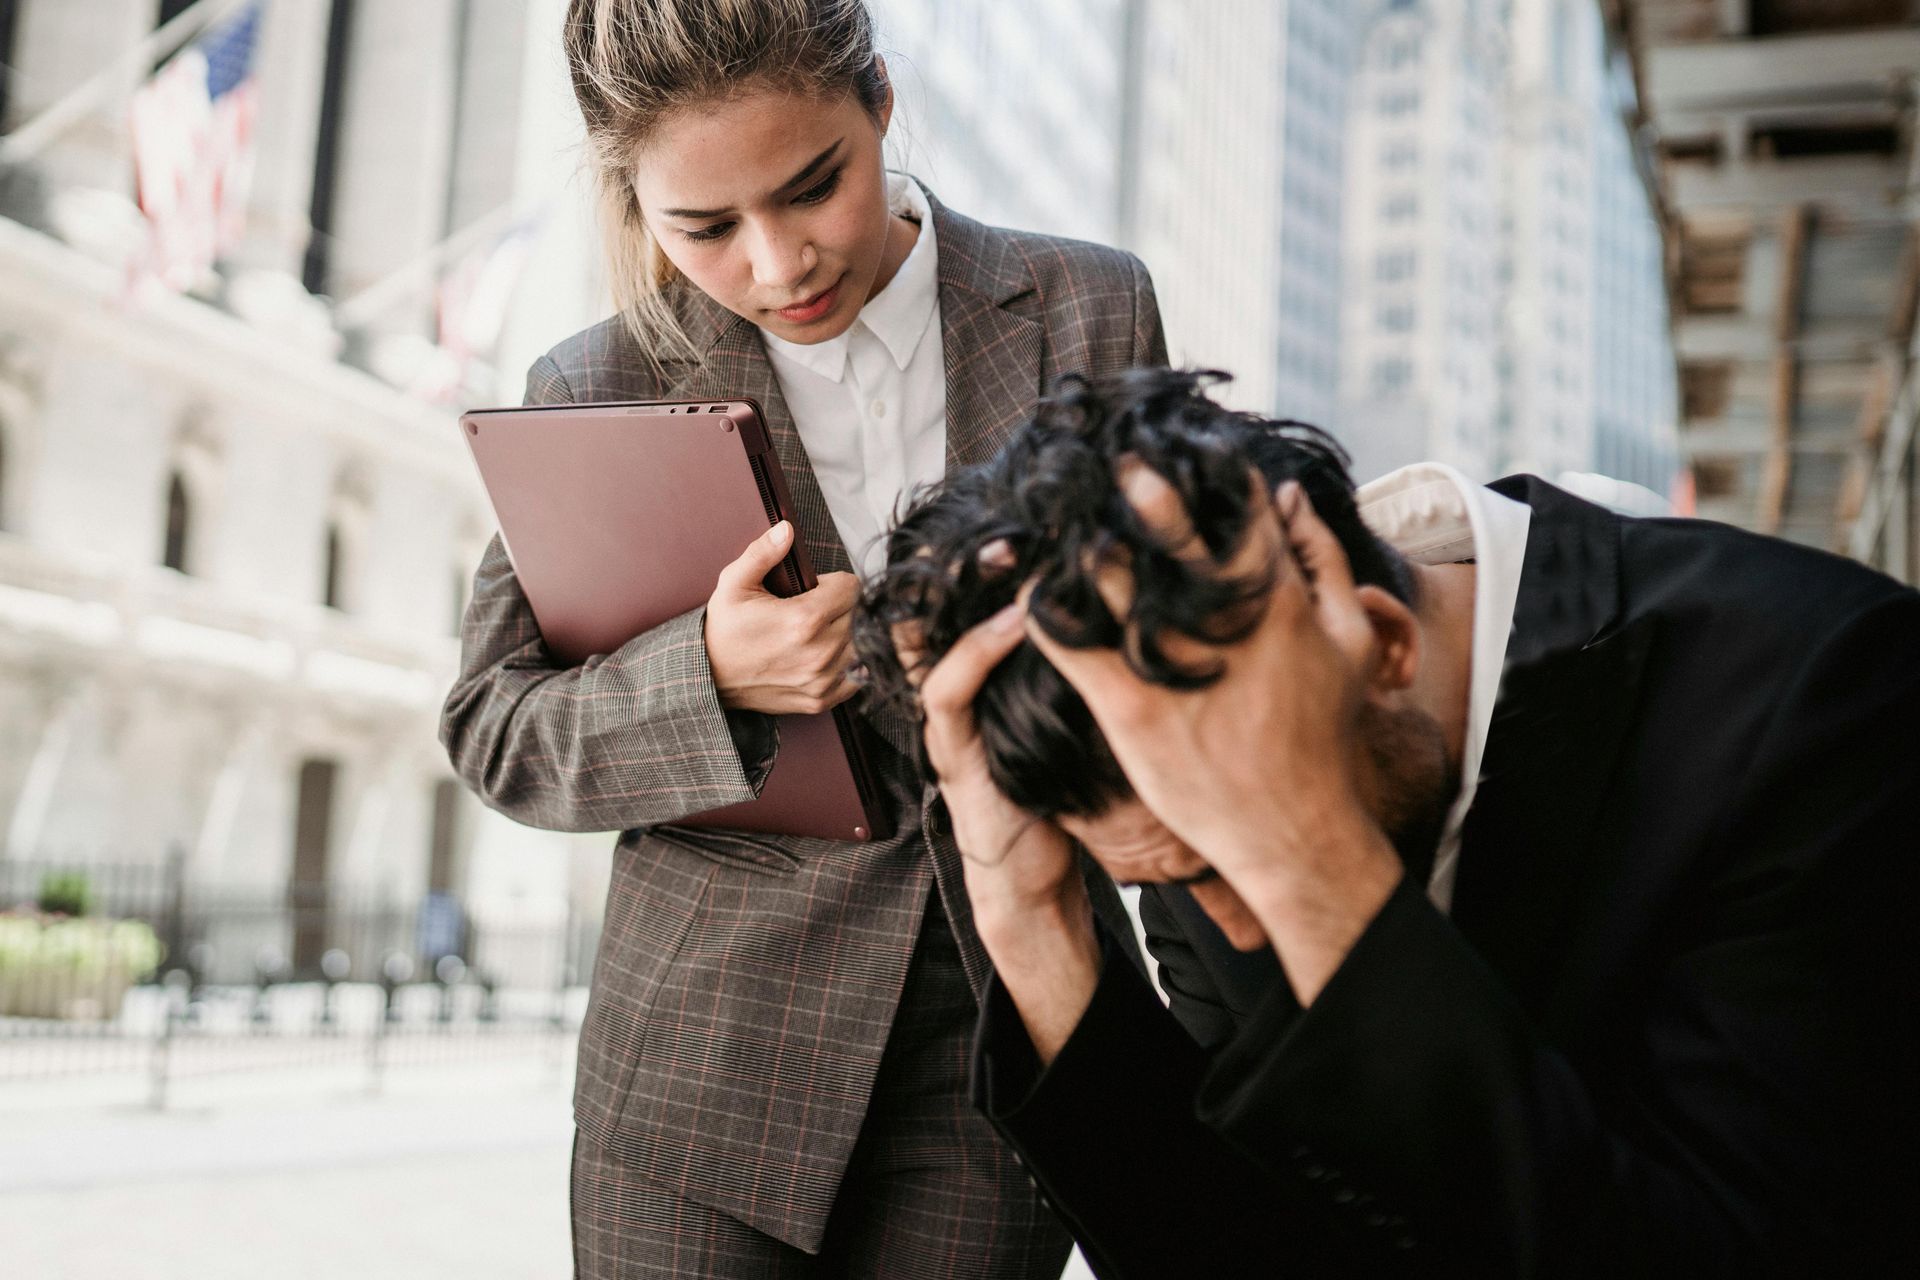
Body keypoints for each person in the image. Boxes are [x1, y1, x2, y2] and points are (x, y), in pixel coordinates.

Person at [862, 368, 1920, 1278]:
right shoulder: (1198, 843)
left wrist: (1310, 859)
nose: (1234, 924)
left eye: (1240, 849)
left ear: (1383, 640)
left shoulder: (1828, 696)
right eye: (1177, 876)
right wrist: (1031, 919)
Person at [438, 2, 1164, 1275]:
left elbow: (1169, 642)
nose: (779, 265)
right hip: (700, 1083)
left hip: (999, 1056)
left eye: (813, 186)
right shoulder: (597, 384)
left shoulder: (1092, 309)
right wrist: (711, 676)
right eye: (705, 228)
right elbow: (497, 729)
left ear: (880, 99)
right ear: (635, 202)